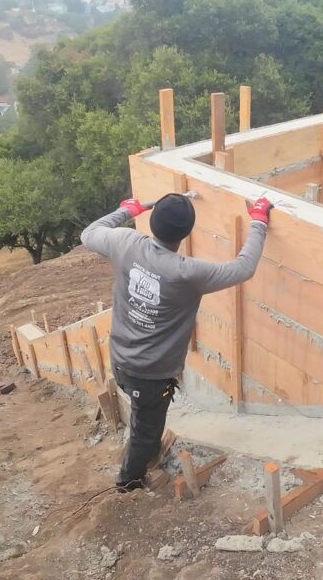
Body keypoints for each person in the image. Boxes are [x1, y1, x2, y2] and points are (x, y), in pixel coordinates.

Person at [81, 192, 272, 491]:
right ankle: (129, 480)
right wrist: (259, 220)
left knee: (140, 413)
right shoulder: (188, 273)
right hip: (151, 376)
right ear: (187, 231)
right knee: (147, 431)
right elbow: (243, 268)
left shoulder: (125, 243)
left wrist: (126, 211)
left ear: (151, 221)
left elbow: (88, 233)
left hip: (120, 358)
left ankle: (137, 452)